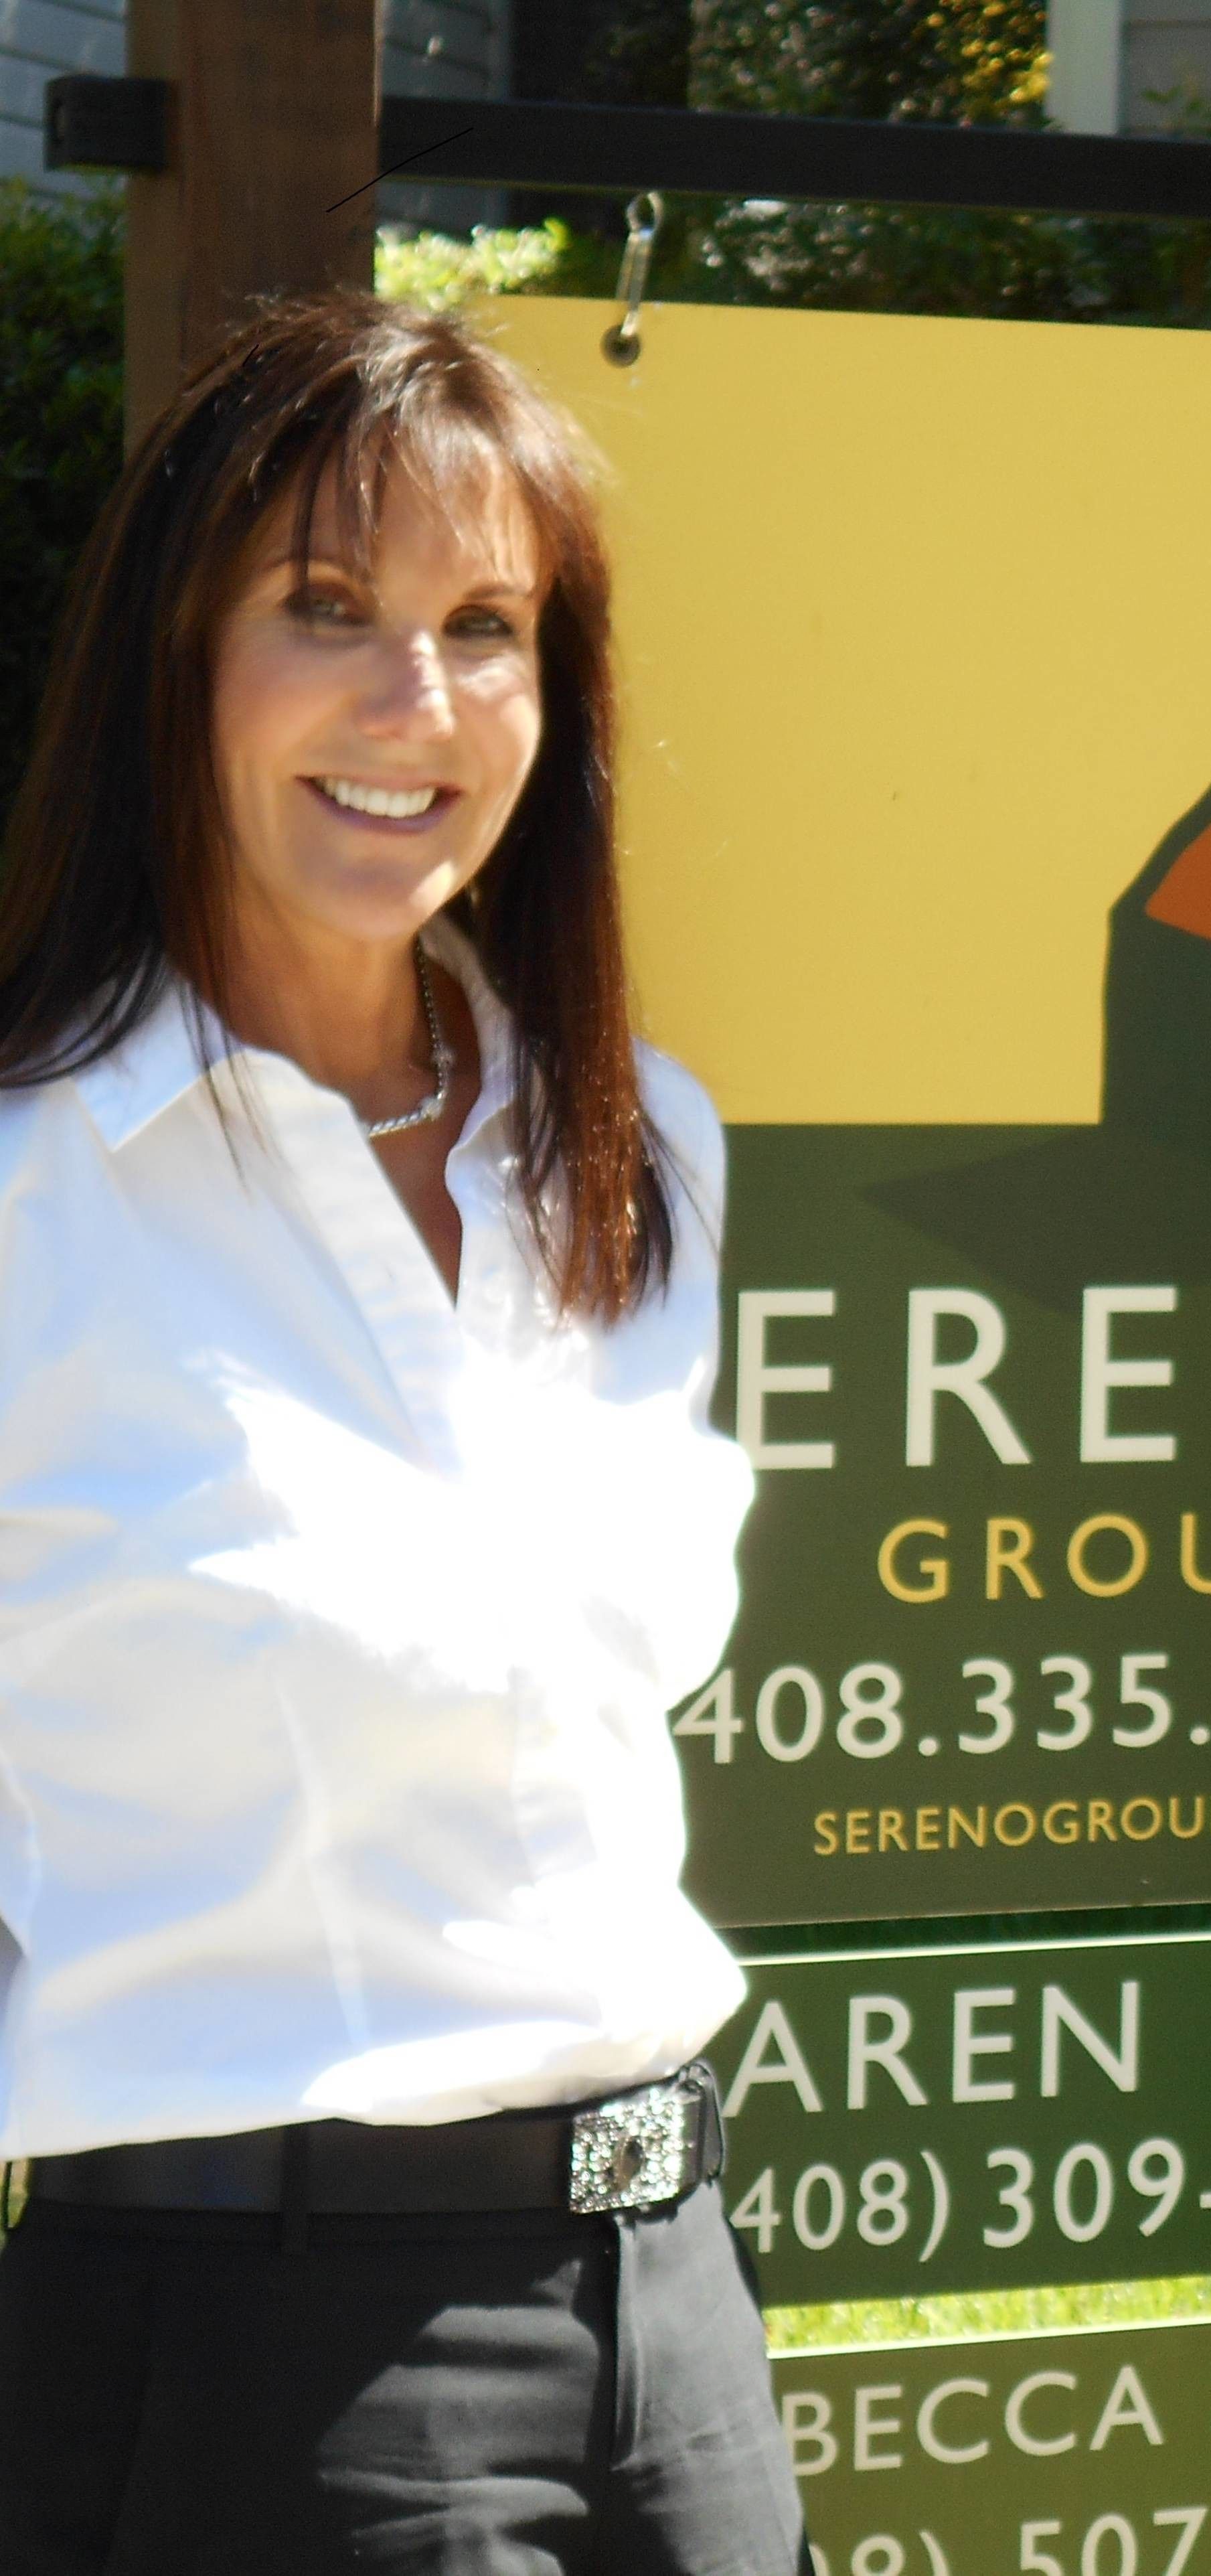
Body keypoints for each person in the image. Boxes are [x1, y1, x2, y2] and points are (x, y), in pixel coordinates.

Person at [0, 293, 801, 2573]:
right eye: (327, 609)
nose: (414, 703)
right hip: (261, 2362)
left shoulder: (642, 1150)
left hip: (678, 2310)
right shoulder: (30, 1193)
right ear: (176, 658)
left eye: (485, 628)